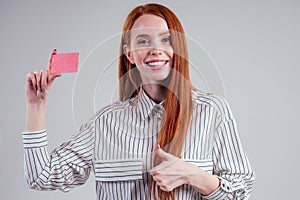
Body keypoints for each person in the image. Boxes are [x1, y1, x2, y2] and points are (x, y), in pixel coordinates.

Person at [23, 3, 255, 200]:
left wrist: (190, 174)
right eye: (143, 41)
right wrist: (36, 106)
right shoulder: (106, 123)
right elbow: (40, 177)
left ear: (179, 48)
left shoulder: (212, 111)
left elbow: (240, 192)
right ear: (130, 54)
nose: (155, 49)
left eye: (166, 40)